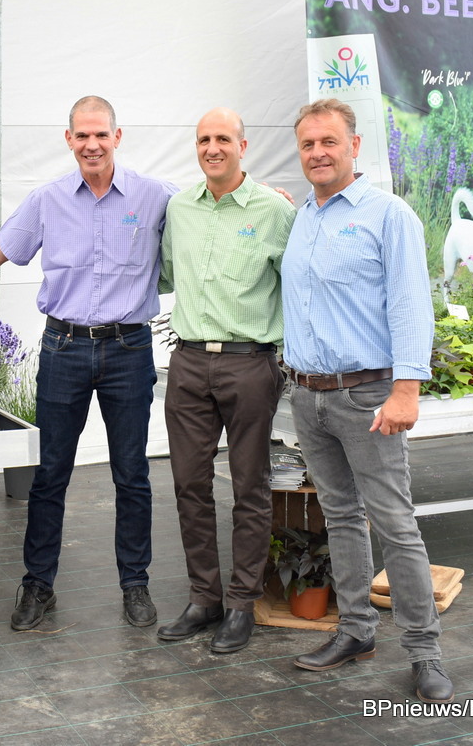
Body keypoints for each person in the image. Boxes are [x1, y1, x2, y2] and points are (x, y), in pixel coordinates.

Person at [0, 95, 174, 630]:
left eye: (101, 134)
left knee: (132, 474)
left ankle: (135, 584)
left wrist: (262, 196)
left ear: (117, 137)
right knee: (49, 473)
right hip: (64, 349)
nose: (92, 144)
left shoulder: (154, 195)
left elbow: (210, 208)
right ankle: (38, 585)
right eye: (82, 135)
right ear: (69, 139)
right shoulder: (48, 200)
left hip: (128, 350)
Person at [281, 98, 454, 703]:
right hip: (309, 396)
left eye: (329, 142)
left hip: (368, 396)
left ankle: (425, 652)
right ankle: (356, 631)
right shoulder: (302, 217)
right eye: (308, 144)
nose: (318, 153)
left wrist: (407, 389)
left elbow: (411, 305)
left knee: (395, 525)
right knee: (340, 517)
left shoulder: (389, 215)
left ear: (354, 146)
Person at [156, 107, 295, 653]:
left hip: (249, 364)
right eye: (203, 140)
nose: (212, 148)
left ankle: (241, 604)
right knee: (188, 485)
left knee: (249, 486)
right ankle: (204, 598)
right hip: (189, 363)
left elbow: (296, 285)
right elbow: (167, 273)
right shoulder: (180, 208)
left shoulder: (274, 211)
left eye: (222, 139)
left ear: (243, 145)